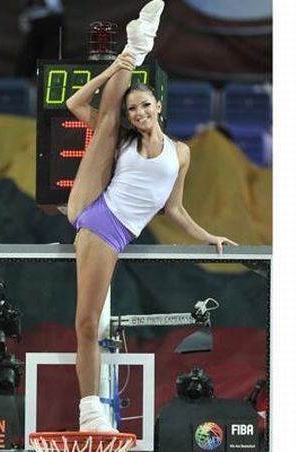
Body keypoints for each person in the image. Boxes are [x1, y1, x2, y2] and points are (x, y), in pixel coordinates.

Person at [64, 0, 238, 432]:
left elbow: (173, 207)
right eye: (132, 109)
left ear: (157, 106)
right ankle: (91, 414)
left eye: (143, 106)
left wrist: (206, 236)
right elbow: (73, 103)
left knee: (88, 322)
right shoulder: (123, 141)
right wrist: (115, 68)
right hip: (97, 218)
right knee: (87, 323)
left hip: (118, 233)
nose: (138, 113)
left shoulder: (181, 153)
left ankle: (136, 49)